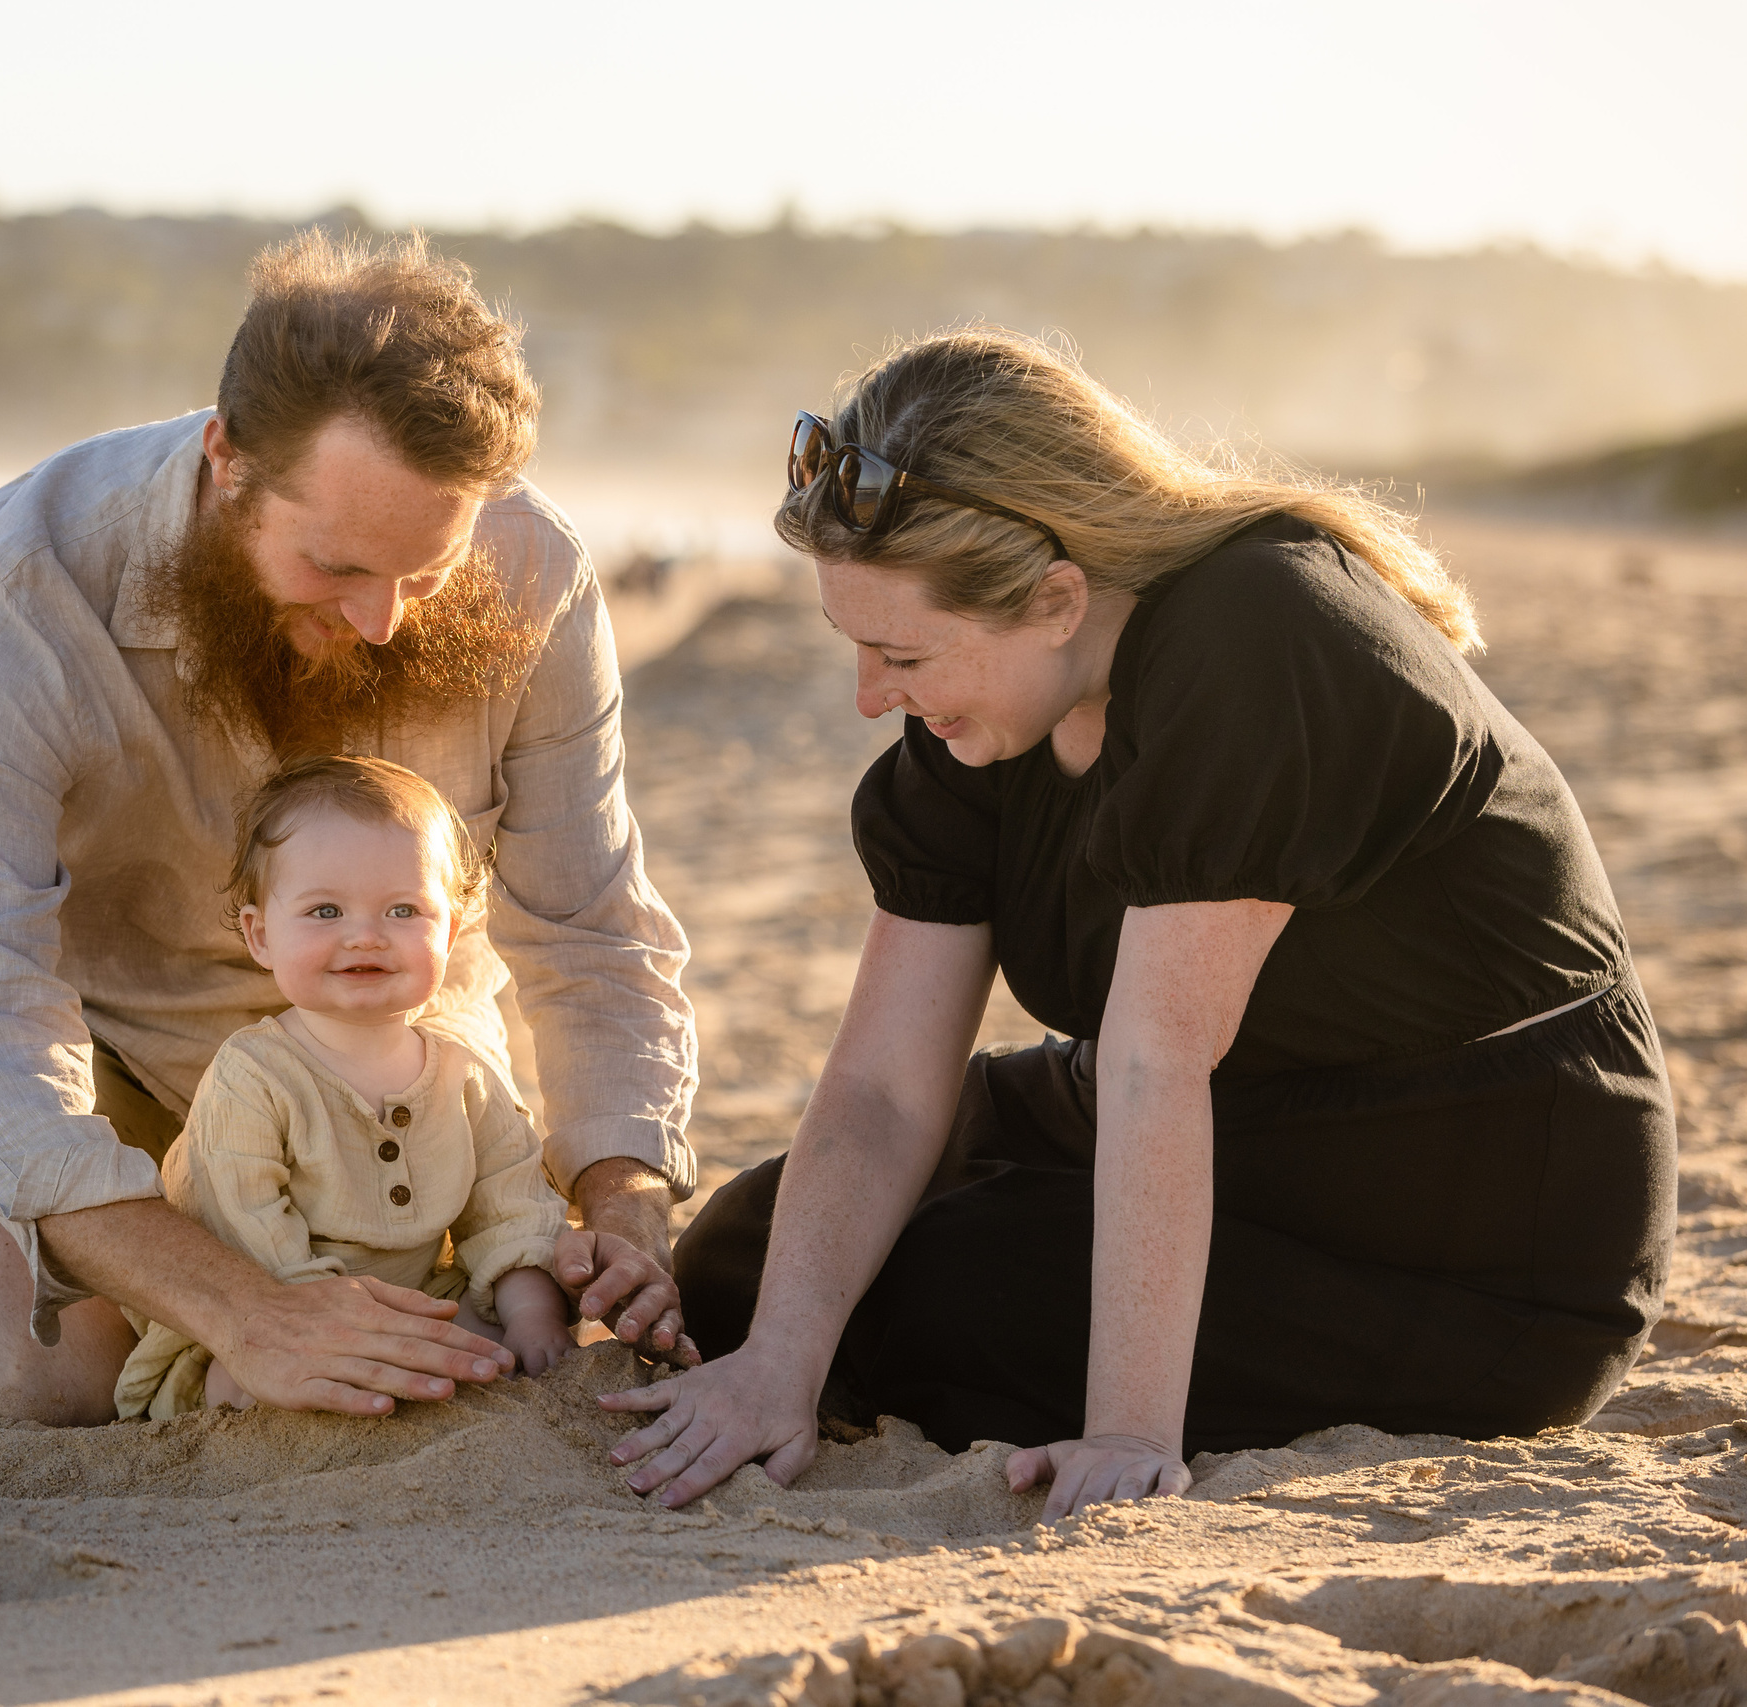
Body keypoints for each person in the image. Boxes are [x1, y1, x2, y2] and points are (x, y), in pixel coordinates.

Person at [601, 329, 1674, 1520]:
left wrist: (1125, 1432)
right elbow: (884, 1090)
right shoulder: (988, 712)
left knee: (936, 1301)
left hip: (1457, 1207)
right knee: (745, 1273)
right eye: (857, 649)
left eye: (899, 653)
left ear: (1059, 596)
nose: (870, 697)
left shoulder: (1262, 634)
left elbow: (1164, 1057)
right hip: (1193, 1110)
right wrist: (775, 1374)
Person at [0, 230, 698, 1428]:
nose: (380, 622)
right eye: (336, 566)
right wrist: (245, 1309)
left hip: (395, 1036)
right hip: (91, 1039)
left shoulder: (539, 573)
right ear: (228, 462)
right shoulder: (23, 588)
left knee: (472, 1344)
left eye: (424, 573)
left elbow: (589, 931)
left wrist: (623, 1212)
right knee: (53, 1384)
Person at [116, 755, 574, 1419]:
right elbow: (244, 1224)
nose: (365, 934)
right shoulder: (253, 1077)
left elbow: (509, 1202)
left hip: (420, 1297)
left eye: (403, 908)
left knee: (494, 1343)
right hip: (277, 1314)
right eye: (325, 910)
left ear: (448, 930)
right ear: (261, 934)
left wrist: (532, 1311)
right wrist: (322, 1326)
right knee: (231, 1388)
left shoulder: (463, 1072)